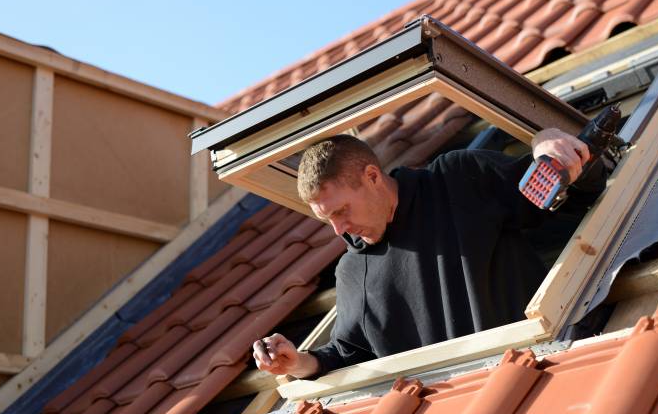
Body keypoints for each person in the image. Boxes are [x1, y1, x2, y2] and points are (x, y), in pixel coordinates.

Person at [252, 128, 600, 379]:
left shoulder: (458, 179)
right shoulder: (352, 272)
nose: (338, 229)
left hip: (547, 371)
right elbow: (348, 356)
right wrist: (296, 363)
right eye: (326, 219)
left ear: (372, 176)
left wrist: (546, 142)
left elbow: (564, 193)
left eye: (341, 210)